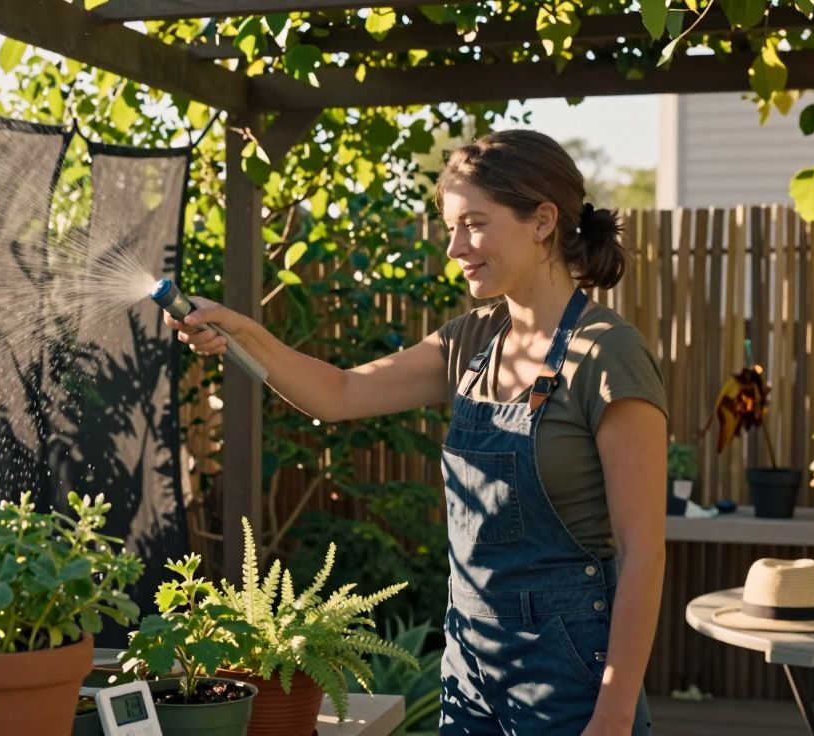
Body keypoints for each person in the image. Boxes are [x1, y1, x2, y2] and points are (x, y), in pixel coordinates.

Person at [165, 129, 666, 735]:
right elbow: (341, 392)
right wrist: (244, 334)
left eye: (473, 224)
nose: (455, 246)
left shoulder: (607, 355)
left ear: (542, 221)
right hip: (471, 667)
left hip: (570, 680)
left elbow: (642, 552)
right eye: (449, 226)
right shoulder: (476, 339)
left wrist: (611, 717)